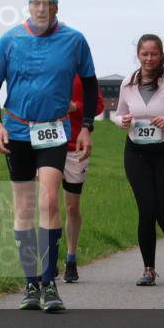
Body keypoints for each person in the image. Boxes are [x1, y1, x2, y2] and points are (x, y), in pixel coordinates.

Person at [0, 0, 98, 312]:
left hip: (54, 129)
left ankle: (49, 283)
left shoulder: (74, 40)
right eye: (36, 3)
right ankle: (30, 284)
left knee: (49, 200)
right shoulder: (10, 40)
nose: (41, 9)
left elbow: (90, 84)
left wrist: (86, 127)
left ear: (56, 7)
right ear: (29, 5)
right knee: (23, 208)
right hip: (17, 130)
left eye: (47, 4)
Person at [114, 34, 164, 286]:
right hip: (136, 151)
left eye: (154, 54)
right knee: (147, 210)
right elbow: (118, 114)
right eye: (144, 54)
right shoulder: (127, 83)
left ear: (162, 55)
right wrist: (122, 121)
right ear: (138, 55)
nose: (149, 58)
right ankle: (148, 269)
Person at [62, 74, 105, 283]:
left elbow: (98, 106)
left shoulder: (84, 73)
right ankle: (48, 261)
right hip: (45, 144)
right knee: (47, 204)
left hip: (75, 146)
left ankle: (71, 258)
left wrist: (75, 106)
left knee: (72, 207)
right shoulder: (43, 64)